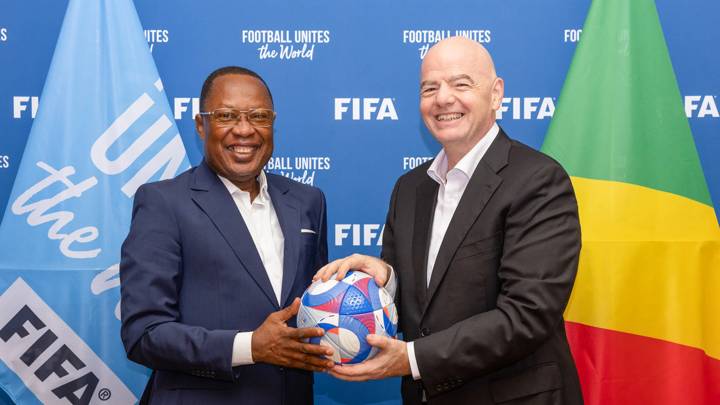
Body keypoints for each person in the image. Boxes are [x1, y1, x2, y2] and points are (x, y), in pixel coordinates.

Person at [315, 37, 584, 404]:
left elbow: (527, 314)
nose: (443, 99)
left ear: (496, 93)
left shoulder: (538, 181)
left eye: (461, 84)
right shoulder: (409, 188)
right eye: (430, 88)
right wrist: (387, 280)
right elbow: (427, 303)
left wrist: (410, 358)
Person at [120, 66, 334, 405]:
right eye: (226, 115)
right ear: (201, 125)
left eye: (259, 116)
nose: (244, 129)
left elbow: (318, 307)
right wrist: (250, 347)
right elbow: (144, 334)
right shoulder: (163, 203)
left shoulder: (308, 201)